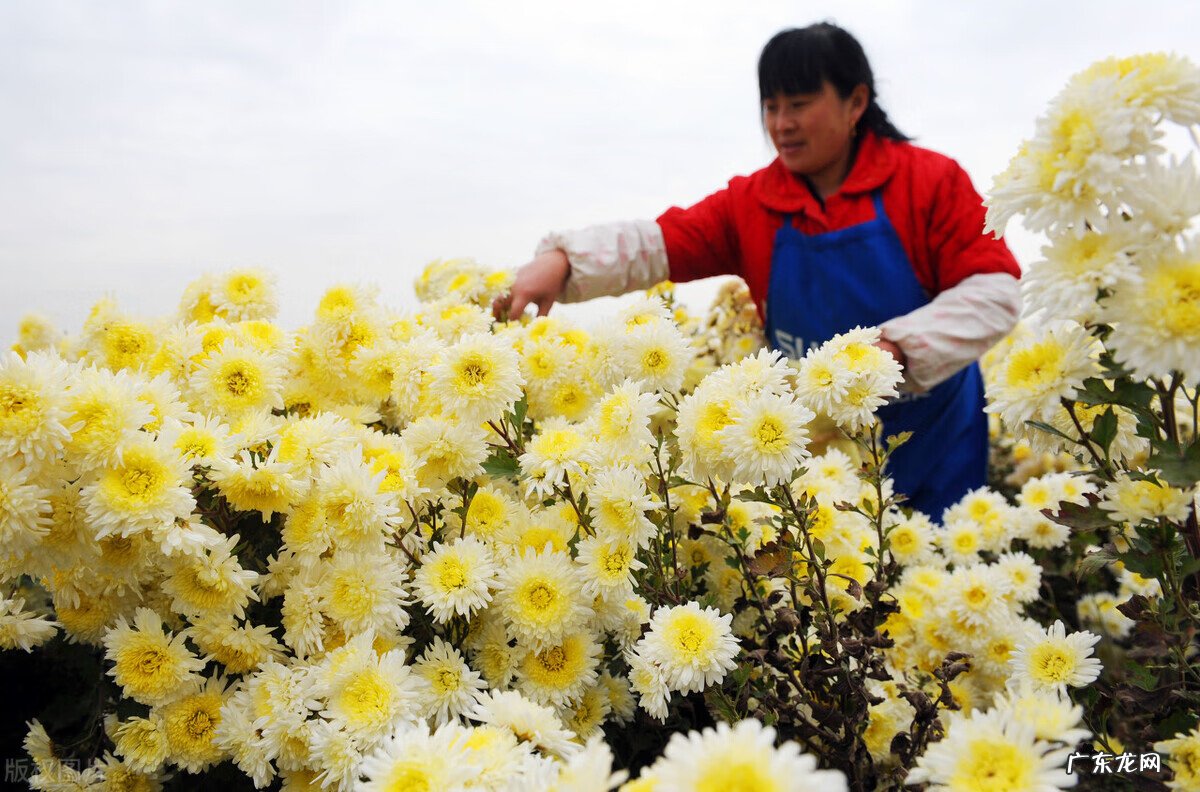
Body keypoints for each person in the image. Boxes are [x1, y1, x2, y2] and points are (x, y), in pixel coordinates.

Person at [494, 22, 1021, 520]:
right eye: (770, 107)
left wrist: (896, 351)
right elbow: (657, 244)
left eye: (799, 104)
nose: (781, 124)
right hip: (815, 451)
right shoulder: (753, 203)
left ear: (856, 101)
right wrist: (563, 260)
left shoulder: (929, 181)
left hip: (931, 436)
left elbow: (994, 290)